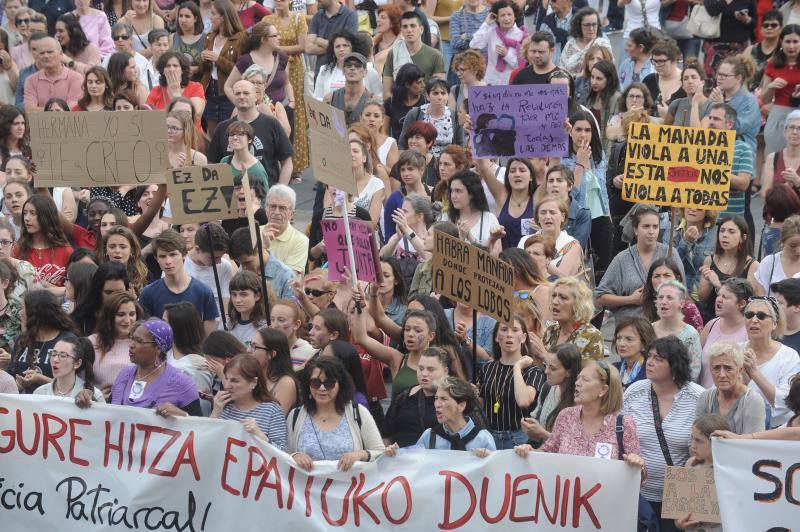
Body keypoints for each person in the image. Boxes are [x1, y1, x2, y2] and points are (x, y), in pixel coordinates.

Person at [515, 359, 647, 482]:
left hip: (603, 504)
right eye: (578, 378)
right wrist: (530, 452)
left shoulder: (624, 424)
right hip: (566, 500)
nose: (577, 383)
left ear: (603, 389)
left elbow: (639, 478)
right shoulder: (566, 416)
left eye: (585, 379)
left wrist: (637, 465)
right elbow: (548, 452)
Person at [621, 336, 705, 530]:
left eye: (659, 359)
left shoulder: (697, 397)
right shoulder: (634, 391)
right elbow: (619, 435)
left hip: (679, 497)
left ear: (675, 365)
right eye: (649, 356)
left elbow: (705, 451)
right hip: (637, 494)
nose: (649, 362)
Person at [286, 356, 385, 471]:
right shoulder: (295, 416)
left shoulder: (359, 412)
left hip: (351, 487)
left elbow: (381, 453)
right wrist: (294, 456)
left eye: (329, 383)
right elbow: (283, 455)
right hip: (305, 487)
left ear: (340, 384)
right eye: (315, 383)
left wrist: (361, 454)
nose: (322, 388)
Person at [597, 204, 684, 323]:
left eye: (655, 226)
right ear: (635, 229)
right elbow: (600, 297)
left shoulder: (669, 253)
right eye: (646, 226)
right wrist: (631, 299)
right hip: (629, 324)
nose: (651, 231)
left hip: (663, 324)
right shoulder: (622, 259)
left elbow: (683, 289)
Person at [106, 318, 201, 416]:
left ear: (158, 348)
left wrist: (181, 415)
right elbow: (106, 414)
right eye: (132, 338)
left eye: (139, 341)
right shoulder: (124, 374)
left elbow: (200, 426)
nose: (131, 345)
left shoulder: (182, 383)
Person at [207, 79, 293, 186]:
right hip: (232, 195)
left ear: (256, 96)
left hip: (266, 193)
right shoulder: (223, 128)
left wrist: (279, 190)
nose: (242, 96)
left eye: (246, 93)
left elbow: (287, 162)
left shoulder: (272, 124)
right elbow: (212, 164)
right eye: (237, 93)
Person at [476, 316, 544, 449]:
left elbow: (524, 401)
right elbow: (481, 405)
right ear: (496, 337)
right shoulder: (487, 368)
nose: (509, 335)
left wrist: (517, 367)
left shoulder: (533, 370)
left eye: (515, 330)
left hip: (519, 437)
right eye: (504, 330)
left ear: (523, 337)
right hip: (490, 435)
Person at [138, 229, 220, 334]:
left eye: (173, 255)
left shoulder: (203, 292)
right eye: (162, 256)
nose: (168, 261)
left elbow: (208, 338)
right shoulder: (148, 294)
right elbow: (144, 333)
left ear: (184, 254)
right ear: (156, 258)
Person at [563, 109, 612, 275]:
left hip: (601, 218)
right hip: (577, 219)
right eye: (578, 129)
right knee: (577, 269)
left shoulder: (599, 156)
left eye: (587, 130)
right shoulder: (563, 158)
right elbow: (572, 194)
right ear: (570, 132)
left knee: (602, 270)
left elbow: (602, 191)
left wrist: (609, 217)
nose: (583, 134)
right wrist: (580, 164)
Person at [740, 295, 800, 427]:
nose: (754, 320)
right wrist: (741, 382)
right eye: (749, 315)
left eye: (761, 316)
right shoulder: (735, 350)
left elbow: (786, 403)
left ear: (774, 324)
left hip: (775, 432)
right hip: (739, 426)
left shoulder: (789, 356)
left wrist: (754, 373)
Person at [265, 0, 309, 173]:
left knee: (295, 113)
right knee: (273, 108)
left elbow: (302, 46)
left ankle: (295, 166)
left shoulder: (299, 18)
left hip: (295, 70)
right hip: (272, 68)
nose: (278, 2)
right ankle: (277, 162)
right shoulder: (267, 19)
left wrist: (276, 47)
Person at [210, 353, 288, 450]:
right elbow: (206, 442)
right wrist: (215, 413)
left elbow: (283, 454)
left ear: (253, 382)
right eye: (226, 379)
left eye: (235, 381)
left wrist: (260, 435)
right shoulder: (222, 406)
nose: (227, 386)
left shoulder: (272, 410)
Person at [194, 0, 244, 135]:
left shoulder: (240, 38)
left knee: (229, 132)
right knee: (213, 134)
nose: (210, 17)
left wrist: (218, 59)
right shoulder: (210, 37)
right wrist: (203, 59)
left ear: (223, 17)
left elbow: (241, 69)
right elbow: (203, 69)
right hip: (210, 90)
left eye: (213, 14)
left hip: (228, 93)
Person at [407, 376, 495, 452]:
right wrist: (395, 454)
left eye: (443, 399)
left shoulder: (482, 438)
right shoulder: (429, 436)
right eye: (436, 398)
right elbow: (414, 465)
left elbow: (493, 470)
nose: (437, 404)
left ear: (461, 406)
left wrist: (488, 459)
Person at [383, 347, 450, 447]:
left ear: (445, 371)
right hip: (402, 458)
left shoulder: (456, 399)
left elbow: (474, 433)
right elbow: (386, 435)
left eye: (430, 369)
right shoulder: (403, 397)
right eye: (421, 368)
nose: (424, 374)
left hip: (439, 460)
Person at [674, 414, 731, 531]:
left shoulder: (729, 472)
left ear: (716, 442)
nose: (692, 445)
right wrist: (680, 523)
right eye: (692, 438)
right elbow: (680, 512)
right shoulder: (690, 464)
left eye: (699, 441)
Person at [699, 215, 761, 319]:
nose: (724, 235)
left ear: (743, 237)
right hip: (711, 317)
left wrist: (718, 285)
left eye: (731, 232)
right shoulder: (710, 260)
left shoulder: (752, 265)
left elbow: (748, 300)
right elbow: (702, 298)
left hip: (738, 320)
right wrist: (708, 282)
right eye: (722, 231)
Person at [697, 341, 767, 434]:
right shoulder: (705, 397)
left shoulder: (753, 401)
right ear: (710, 370)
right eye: (716, 368)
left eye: (728, 368)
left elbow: (752, 446)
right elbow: (696, 437)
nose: (722, 375)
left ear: (740, 370)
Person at [699, 54, 761, 152]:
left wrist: (721, 106)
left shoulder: (749, 101)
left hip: (739, 154)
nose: (720, 78)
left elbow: (736, 128)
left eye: (725, 75)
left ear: (738, 78)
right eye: (719, 74)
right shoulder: (718, 94)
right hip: (715, 152)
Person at [13, 195, 74, 292]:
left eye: (33, 213)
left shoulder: (66, 251)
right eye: (25, 213)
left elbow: (73, 290)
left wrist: (50, 288)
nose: (27, 218)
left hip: (57, 305)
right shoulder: (18, 249)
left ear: (46, 216)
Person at [699, 278, 752, 387]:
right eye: (718, 295)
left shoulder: (750, 331)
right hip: (704, 398)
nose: (718, 299)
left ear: (741, 303)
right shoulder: (711, 325)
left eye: (725, 297)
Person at [90, 291, 142, 401]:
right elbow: (78, 380)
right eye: (121, 314)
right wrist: (94, 397)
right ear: (109, 316)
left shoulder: (145, 343)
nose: (128, 320)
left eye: (132, 314)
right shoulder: (91, 342)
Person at [474, 157, 536, 251]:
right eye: (512, 171)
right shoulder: (501, 195)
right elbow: (482, 166)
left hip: (529, 262)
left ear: (531, 176)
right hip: (503, 262)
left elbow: (554, 168)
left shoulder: (537, 198)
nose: (517, 174)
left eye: (522, 170)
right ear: (507, 176)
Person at [381, 11, 445, 98]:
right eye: (405, 27)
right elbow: (386, 92)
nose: (409, 30)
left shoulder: (435, 55)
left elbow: (439, 91)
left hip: (426, 107)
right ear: (401, 30)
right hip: (399, 105)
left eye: (413, 26)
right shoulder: (393, 53)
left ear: (421, 29)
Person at [397, 78, 464, 156]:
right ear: (427, 96)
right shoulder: (415, 114)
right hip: (419, 162)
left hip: (447, 163)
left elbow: (460, 145)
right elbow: (402, 144)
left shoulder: (454, 116)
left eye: (443, 93)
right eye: (435, 93)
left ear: (448, 96)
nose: (440, 97)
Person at [543, 276, 604, 360]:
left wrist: (543, 355)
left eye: (563, 297)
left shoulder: (592, 336)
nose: (554, 301)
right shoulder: (551, 330)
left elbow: (587, 372)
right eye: (554, 296)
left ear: (579, 304)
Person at [652, 281, 703, 382]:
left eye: (669, 298)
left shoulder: (690, 334)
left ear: (681, 303)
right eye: (660, 297)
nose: (663, 301)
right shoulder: (648, 329)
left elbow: (693, 371)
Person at [228, 226, 295, 301]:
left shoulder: (286, 275)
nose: (243, 268)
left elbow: (289, 309)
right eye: (239, 263)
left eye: (247, 262)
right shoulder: (241, 271)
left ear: (260, 250)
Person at [442, 169, 500, 252]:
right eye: (451, 191)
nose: (453, 196)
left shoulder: (489, 219)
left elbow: (497, 255)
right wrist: (460, 238)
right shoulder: (445, 218)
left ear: (472, 193)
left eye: (458, 191)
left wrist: (471, 239)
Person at [468, 0, 523, 86]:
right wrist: (486, 23)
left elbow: (520, 65)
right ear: (496, 18)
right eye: (502, 15)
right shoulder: (491, 31)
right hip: (491, 81)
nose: (506, 18)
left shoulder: (521, 35)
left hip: (511, 82)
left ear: (515, 16)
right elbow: (474, 44)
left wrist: (506, 54)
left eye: (509, 14)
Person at [34, 336, 105, 402]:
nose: (55, 360)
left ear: (77, 363)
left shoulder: (94, 395)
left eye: (63, 356)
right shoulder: (39, 393)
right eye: (53, 354)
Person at [23, 36, 83, 110]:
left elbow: (73, 109)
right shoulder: (31, 80)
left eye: (50, 52)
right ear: (38, 57)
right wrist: (57, 111)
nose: (46, 56)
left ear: (61, 54)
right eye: (42, 53)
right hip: (39, 122)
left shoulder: (76, 78)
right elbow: (30, 110)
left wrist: (43, 110)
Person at [247, 327, 298, 414]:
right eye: (249, 345)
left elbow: (275, 419)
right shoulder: (250, 376)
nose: (248, 350)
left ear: (271, 354)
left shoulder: (285, 383)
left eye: (254, 347)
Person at [667, 208, 718, 294]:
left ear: (707, 211)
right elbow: (669, 264)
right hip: (676, 292)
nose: (693, 209)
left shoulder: (716, 233)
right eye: (689, 206)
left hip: (703, 295)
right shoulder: (671, 230)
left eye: (699, 208)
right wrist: (686, 242)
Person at [702, 0, 756, 78]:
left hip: (738, 46)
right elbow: (712, 10)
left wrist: (746, 19)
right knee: (711, 77)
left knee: (735, 76)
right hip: (714, 45)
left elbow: (754, 22)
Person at [306, 0, 358, 79]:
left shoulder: (350, 16)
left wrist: (318, 40)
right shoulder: (317, 16)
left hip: (343, 76)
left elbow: (348, 47)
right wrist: (336, 47)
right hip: (320, 75)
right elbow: (308, 49)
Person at [262, 185, 308, 275]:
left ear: (292, 214)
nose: (276, 212)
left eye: (282, 208)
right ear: (266, 209)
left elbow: (288, 278)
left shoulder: (300, 240)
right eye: (273, 206)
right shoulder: (253, 233)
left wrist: (265, 250)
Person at [146, 50, 205, 117]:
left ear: (182, 70)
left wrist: (176, 94)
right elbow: (147, 115)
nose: (171, 70)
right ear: (163, 71)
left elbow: (196, 113)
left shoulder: (196, 87)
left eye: (175, 66)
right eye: (168, 66)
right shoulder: (156, 91)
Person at [558, 7, 611, 76]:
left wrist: (573, 78)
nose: (591, 28)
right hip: (565, 82)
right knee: (542, 87)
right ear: (579, 26)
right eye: (587, 25)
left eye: (594, 24)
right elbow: (561, 67)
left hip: (590, 84)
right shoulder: (571, 43)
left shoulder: (602, 44)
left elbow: (608, 71)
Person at [220, 120, 269, 193]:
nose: (235, 137)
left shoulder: (258, 170)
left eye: (240, 134)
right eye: (231, 134)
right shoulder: (224, 161)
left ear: (249, 139)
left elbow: (264, 199)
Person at [613, 316, 657, 389]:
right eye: (619, 338)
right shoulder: (613, 369)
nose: (621, 344)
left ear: (644, 344)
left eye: (629, 339)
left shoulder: (651, 374)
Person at [269, 299, 315, 368]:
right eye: (272, 320)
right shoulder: (267, 349)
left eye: (281, 320)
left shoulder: (309, 352)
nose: (275, 325)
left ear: (296, 324)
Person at [227, 271, 268, 345]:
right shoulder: (228, 324)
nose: (237, 300)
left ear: (257, 296)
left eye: (243, 294)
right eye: (234, 294)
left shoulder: (265, 326)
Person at [663, 62, 707, 127]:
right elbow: (665, 127)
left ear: (702, 82)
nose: (690, 81)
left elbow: (698, 134)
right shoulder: (676, 104)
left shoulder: (711, 106)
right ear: (682, 85)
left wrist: (695, 103)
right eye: (685, 79)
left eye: (694, 77)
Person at [172, 1, 206, 69]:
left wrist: (196, 69)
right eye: (180, 16)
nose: (183, 20)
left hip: (198, 79)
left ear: (195, 19)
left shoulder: (206, 38)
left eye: (187, 16)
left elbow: (209, 67)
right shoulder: (172, 37)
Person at [771, 277, 800, 351]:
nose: (774, 306)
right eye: (775, 302)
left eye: (780, 303)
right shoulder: (768, 329)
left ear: (797, 307)